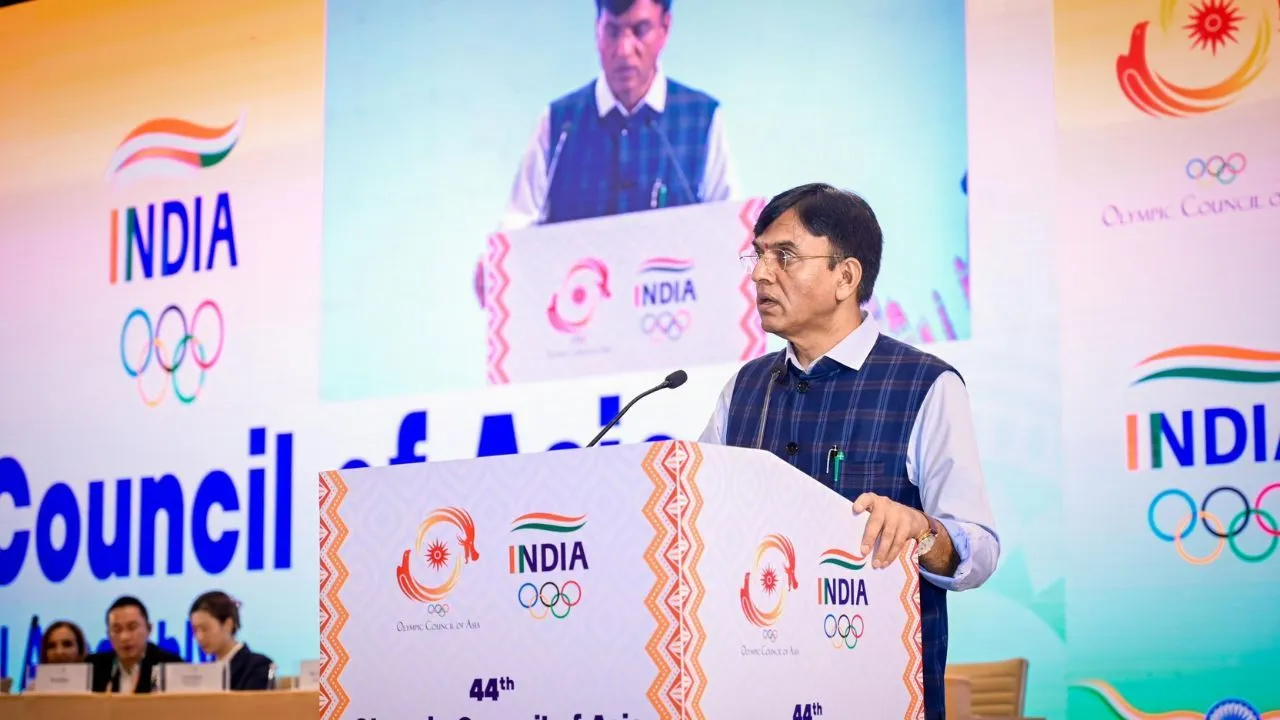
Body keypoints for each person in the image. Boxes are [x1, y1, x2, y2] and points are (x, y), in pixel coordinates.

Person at [699, 183, 999, 720]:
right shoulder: (743, 389)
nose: (761, 274)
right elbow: (698, 518)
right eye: (758, 255)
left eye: (784, 256)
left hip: (876, 694)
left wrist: (921, 530)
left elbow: (978, 552)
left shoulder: (924, 385)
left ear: (846, 277)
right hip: (753, 691)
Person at [500, 0, 736, 229]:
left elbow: (730, 231)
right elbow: (517, 228)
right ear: (597, 30)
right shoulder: (559, 124)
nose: (624, 50)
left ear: (665, 27)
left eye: (640, 30)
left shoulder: (701, 119)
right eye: (612, 31)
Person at [87, 596, 184, 693]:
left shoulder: (171, 665)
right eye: (117, 630)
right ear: (108, 634)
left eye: (132, 627)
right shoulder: (93, 668)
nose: (124, 637)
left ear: (149, 629)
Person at [189, 590, 275, 691]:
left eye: (205, 629)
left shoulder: (257, 666)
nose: (199, 637)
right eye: (195, 630)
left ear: (228, 625)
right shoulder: (206, 671)